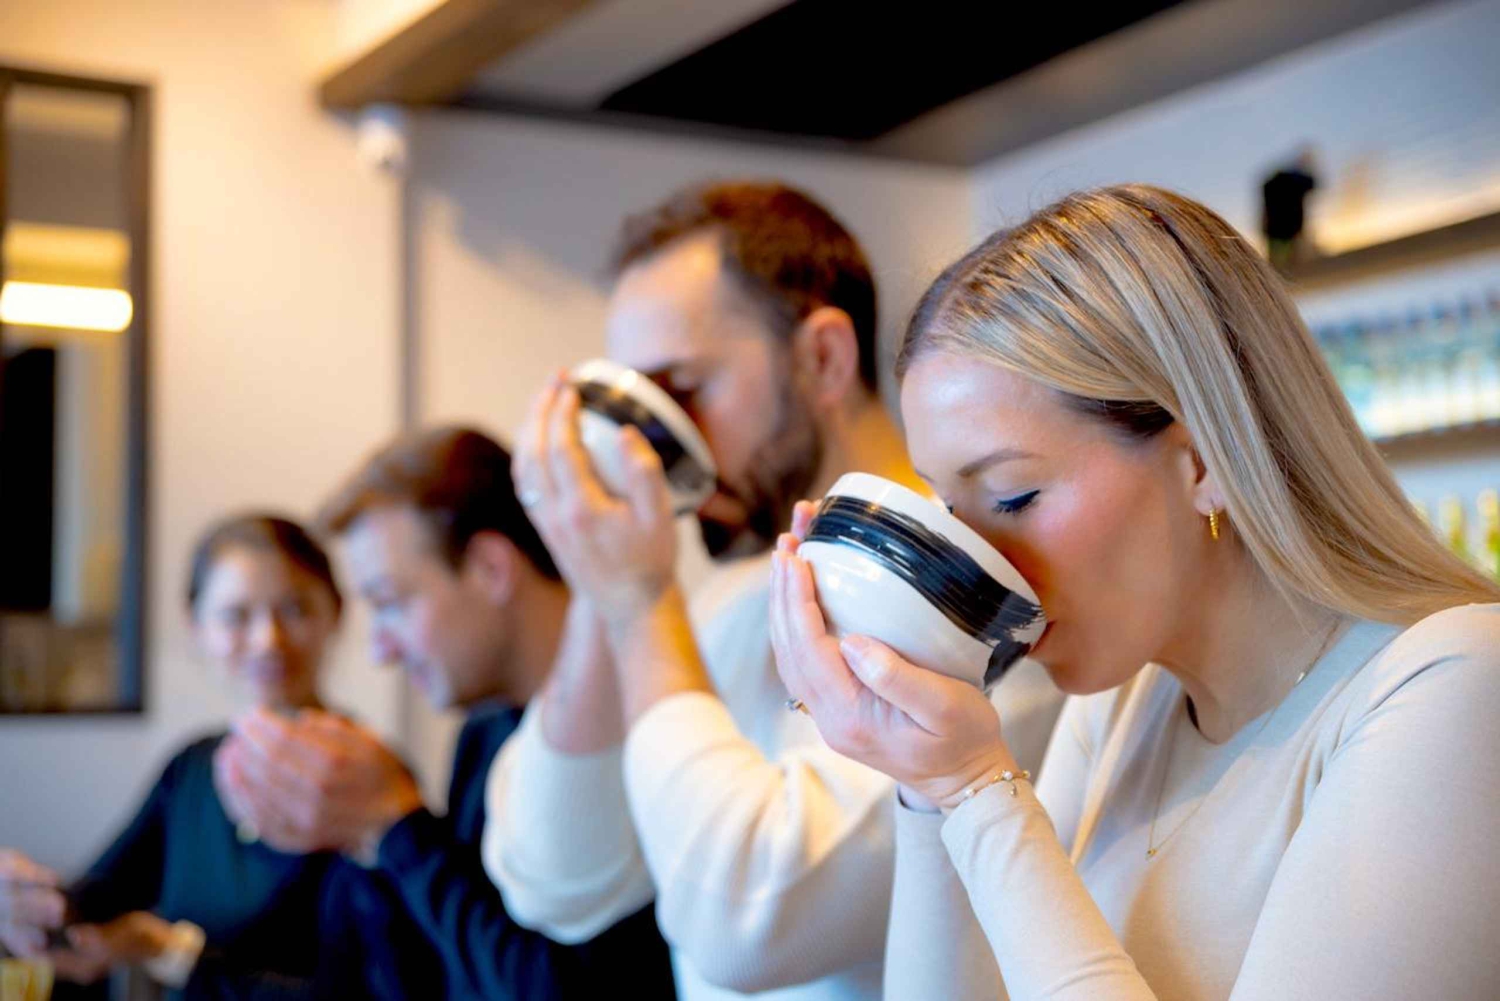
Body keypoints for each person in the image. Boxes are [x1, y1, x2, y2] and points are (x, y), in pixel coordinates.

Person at [767, 184, 1500, 1000]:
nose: (979, 564)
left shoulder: (1454, 686)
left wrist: (973, 788)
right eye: (949, 511)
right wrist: (926, 787)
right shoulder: (1122, 706)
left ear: (1203, 460)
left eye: (1012, 496)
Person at [486, 181, 1065, 1000]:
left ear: (822, 358)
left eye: (683, 390)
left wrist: (639, 604)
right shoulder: (723, 604)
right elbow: (557, 879)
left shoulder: (974, 596)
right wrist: (599, 580)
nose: (656, 447)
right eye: (637, 407)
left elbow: (748, 919)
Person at [215, 427, 676, 1000]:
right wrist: (364, 839)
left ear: (490, 569)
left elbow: (556, 991)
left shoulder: (639, 727)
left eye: (391, 603)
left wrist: (397, 827)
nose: (380, 650)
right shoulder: (482, 734)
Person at [0, 514, 441, 1000]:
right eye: (236, 616)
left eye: (294, 609)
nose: (268, 640)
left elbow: (374, 991)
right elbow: (100, 895)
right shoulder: (192, 769)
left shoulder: (369, 780)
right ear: (198, 628)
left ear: (334, 614)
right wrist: (26, 901)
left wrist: (170, 953)